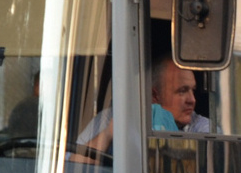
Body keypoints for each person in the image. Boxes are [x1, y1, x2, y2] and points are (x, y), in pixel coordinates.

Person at [77, 57, 211, 151]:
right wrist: (108, 134)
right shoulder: (113, 118)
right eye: (182, 91)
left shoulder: (203, 129)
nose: (192, 100)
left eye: (192, 90)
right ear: (154, 95)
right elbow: (71, 165)